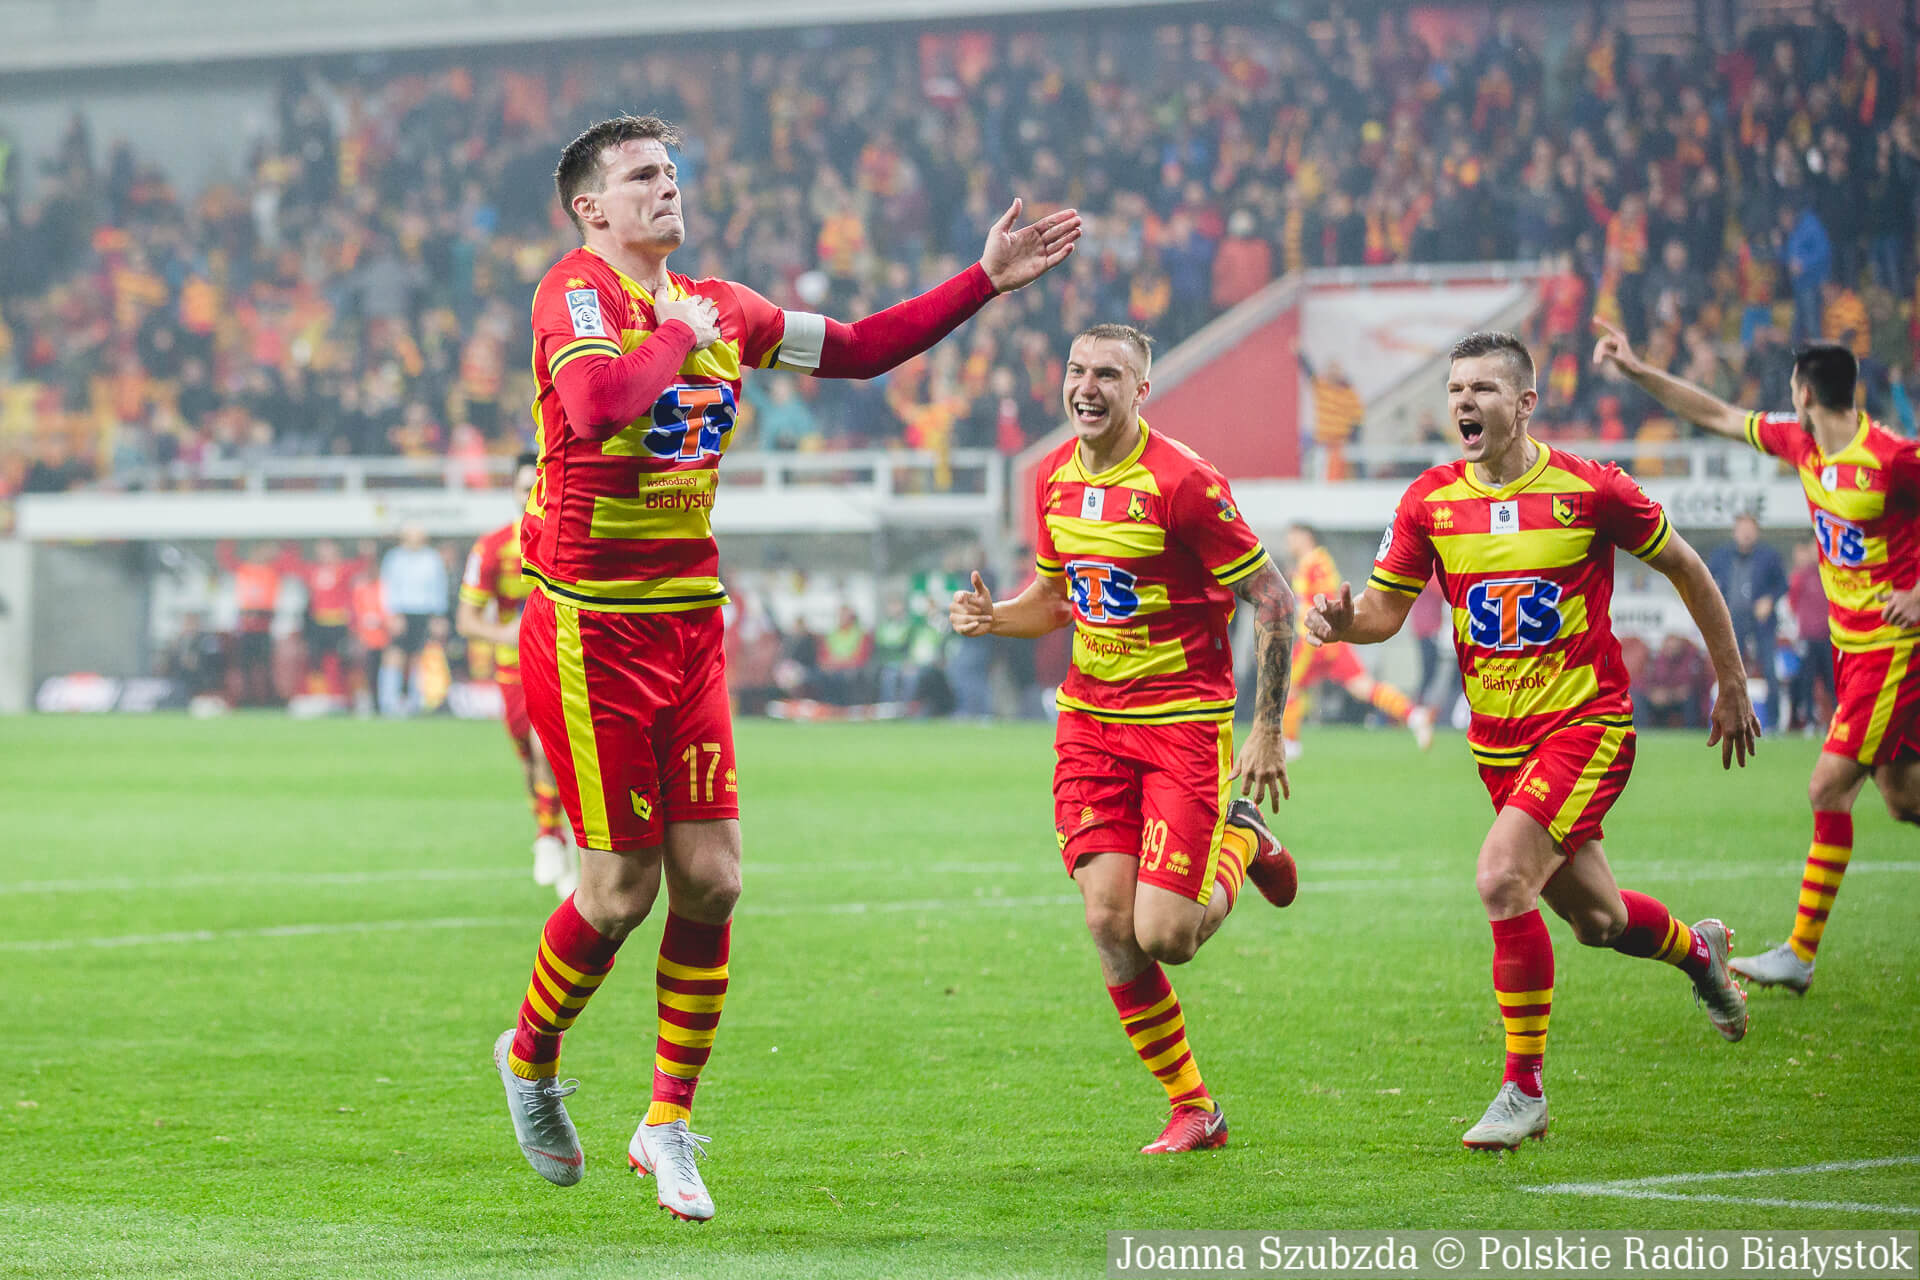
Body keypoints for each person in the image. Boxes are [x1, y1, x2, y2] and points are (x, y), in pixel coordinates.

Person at [493, 113, 1080, 1220]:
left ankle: (666, 1122)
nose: (667, 187)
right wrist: (674, 337)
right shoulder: (574, 293)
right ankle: (529, 1056)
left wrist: (983, 282)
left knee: (714, 879)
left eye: (672, 171)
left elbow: (857, 347)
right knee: (618, 893)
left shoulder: (726, 305)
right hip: (589, 629)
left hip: (687, 623)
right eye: (641, 175)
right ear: (590, 207)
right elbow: (600, 405)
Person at [1306, 331, 1756, 1151]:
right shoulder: (1429, 501)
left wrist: (1731, 679)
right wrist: (1343, 623)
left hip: (1585, 726)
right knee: (1599, 922)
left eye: (1482, 389)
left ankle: (1524, 1090)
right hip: (1499, 749)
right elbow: (1382, 611)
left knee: (1500, 877)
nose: (1463, 402)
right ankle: (1700, 953)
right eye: (1455, 389)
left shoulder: (1592, 489)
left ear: (1524, 404)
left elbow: (1688, 568)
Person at [949, 323, 1299, 1155]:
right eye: (1077, 370)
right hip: (1091, 727)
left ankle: (1242, 841)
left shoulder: (1184, 483)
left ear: (1142, 390)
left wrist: (1267, 729)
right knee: (1109, 921)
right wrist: (995, 618)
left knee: (1167, 937)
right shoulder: (1053, 477)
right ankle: (1193, 1107)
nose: (1088, 386)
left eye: (1108, 374)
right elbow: (1055, 597)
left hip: (1182, 725)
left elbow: (1274, 599)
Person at [1594, 325, 1920, 993]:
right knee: (1901, 796)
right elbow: (1715, 414)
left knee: (1827, 788)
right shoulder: (1801, 443)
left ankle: (1799, 954)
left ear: (1804, 392)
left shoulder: (1894, 459)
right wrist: (1639, 370)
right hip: (1851, 652)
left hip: (1892, 653)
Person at [456, 453, 575, 900]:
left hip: (565, 666)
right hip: (514, 670)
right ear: (512, 491)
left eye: (538, 485)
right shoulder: (491, 548)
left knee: (550, 751)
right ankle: (553, 834)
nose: (531, 494)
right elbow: (466, 620)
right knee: (530, 761)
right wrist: (508, 632)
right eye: (525, 487)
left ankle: (552, 839)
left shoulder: (572, 541)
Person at [1279, 523, 1434, 758]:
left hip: (1315, 641)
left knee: (1287, 685)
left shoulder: (1315, 563)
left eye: (1293, 537)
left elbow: (1324, 598)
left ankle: (1290, 745)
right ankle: (1414, 715)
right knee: (1363, 687)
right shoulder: (1309, 563)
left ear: (1306, 537)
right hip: (1330, 640)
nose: (1289, 542)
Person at [1707, 514, 1788, 728]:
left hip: (1762, 622)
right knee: (1730, 672)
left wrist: (1769, 600)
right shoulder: (1721, 555)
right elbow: (1705, 579)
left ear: (1756, 532)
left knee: (1769, 670)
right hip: (1731, 622)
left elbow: (1782, 584)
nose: (1746, 534)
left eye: (1750, 530)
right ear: (1735, 532)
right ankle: (1729, 719)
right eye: (1742, 529)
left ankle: (1774, 724)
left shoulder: (1769, 556)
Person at [379, 523, 450, 716]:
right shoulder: (394, 558)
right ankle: (389, 702)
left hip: (424, 612)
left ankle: (415, 701)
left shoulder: (432, 558)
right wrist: (392, 613)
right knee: (394, 655)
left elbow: (439, 587)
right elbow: (388, 587)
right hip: (401, 612)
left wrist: (438, 616)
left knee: (419, 657)